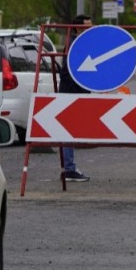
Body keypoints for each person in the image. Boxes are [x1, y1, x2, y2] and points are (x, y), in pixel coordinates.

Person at [56, 14, 92, 182]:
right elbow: (73, 70)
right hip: (70, 91)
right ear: (78, 28)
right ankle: (69, 168)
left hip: (74, 90)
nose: (91, 29)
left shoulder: (80, 41)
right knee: (67, 129)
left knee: (69, 129)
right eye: (87, 27)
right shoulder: (74, 44)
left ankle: (70, 168)